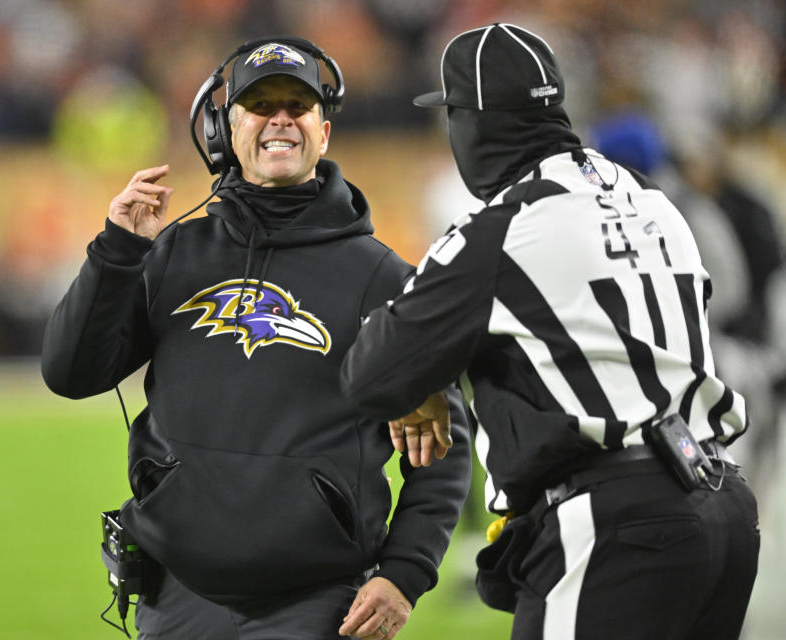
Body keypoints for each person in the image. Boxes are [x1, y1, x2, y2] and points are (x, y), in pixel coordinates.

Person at [41, 36, 471, 640]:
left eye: (297, 106)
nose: (280, 120)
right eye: (260, 104)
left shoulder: (383, 279)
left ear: (323, 132)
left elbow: (442, 450)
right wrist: (117, 253)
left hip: (318, 604)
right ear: (225, 130)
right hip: (177, 594)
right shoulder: (171, 251)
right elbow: (70, 375)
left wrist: (404, 572)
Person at [341, 23, 759, 639]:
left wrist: (421, 383)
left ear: (474, 121)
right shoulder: (652, 199)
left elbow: (370, 373)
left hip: (618, 520)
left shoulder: (505, 225)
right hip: (722, 503)